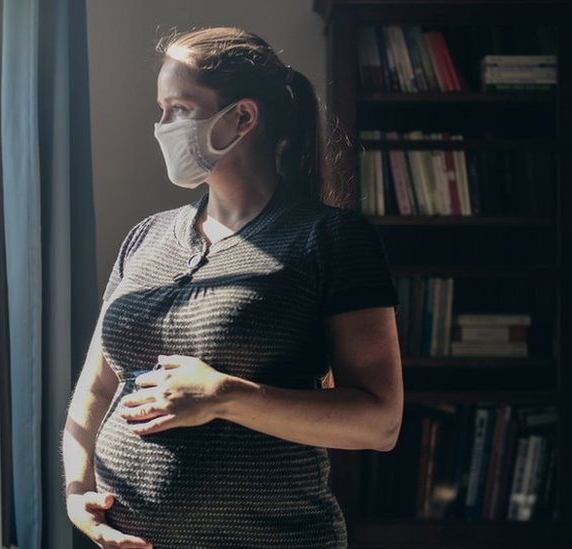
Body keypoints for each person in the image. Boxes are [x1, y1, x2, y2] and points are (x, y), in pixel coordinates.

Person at [62, 26, 403, 548]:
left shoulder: (330, 239)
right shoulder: (145, 238)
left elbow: (379, 423)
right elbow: (97, 389)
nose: (161, 126)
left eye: (178, 108)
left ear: (242, 117)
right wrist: (77, 490)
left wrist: (226, 396)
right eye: (161, 109)